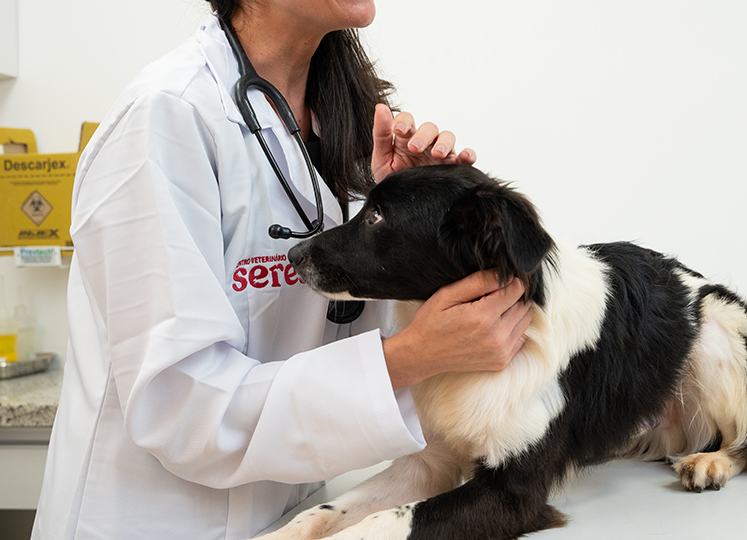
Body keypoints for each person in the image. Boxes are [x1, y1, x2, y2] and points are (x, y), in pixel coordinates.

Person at [31, 1, 532, 539]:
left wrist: (416, 235)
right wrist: (408, 360)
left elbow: (345, 338)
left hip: (289, 511)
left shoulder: (352, 125)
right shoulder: (168, 116)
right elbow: (183, 410)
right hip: (158, 522)